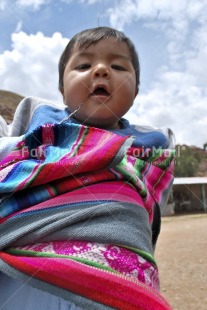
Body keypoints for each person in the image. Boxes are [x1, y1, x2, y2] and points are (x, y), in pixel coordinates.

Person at [0, 27, 174, 309]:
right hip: (19, 271)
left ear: (136, 90)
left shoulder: (151, 144)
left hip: (114, 282)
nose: (102, 70)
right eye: (83, 65)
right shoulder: (38, 120)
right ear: (61, 88)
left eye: (118, 66)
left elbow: (150, 209)